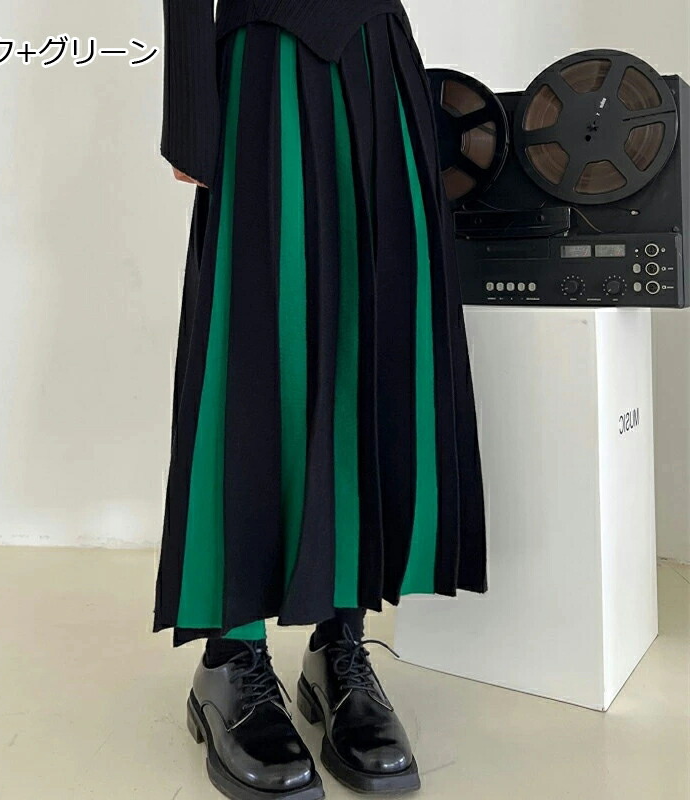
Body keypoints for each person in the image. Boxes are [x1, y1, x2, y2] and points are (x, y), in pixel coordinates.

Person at [152, 0, 488, 796]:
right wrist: (191, 107)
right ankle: (231, 656)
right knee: (252, 344)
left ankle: (341, 644)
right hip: (263, 59)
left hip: (378, 60)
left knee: (374, 339)